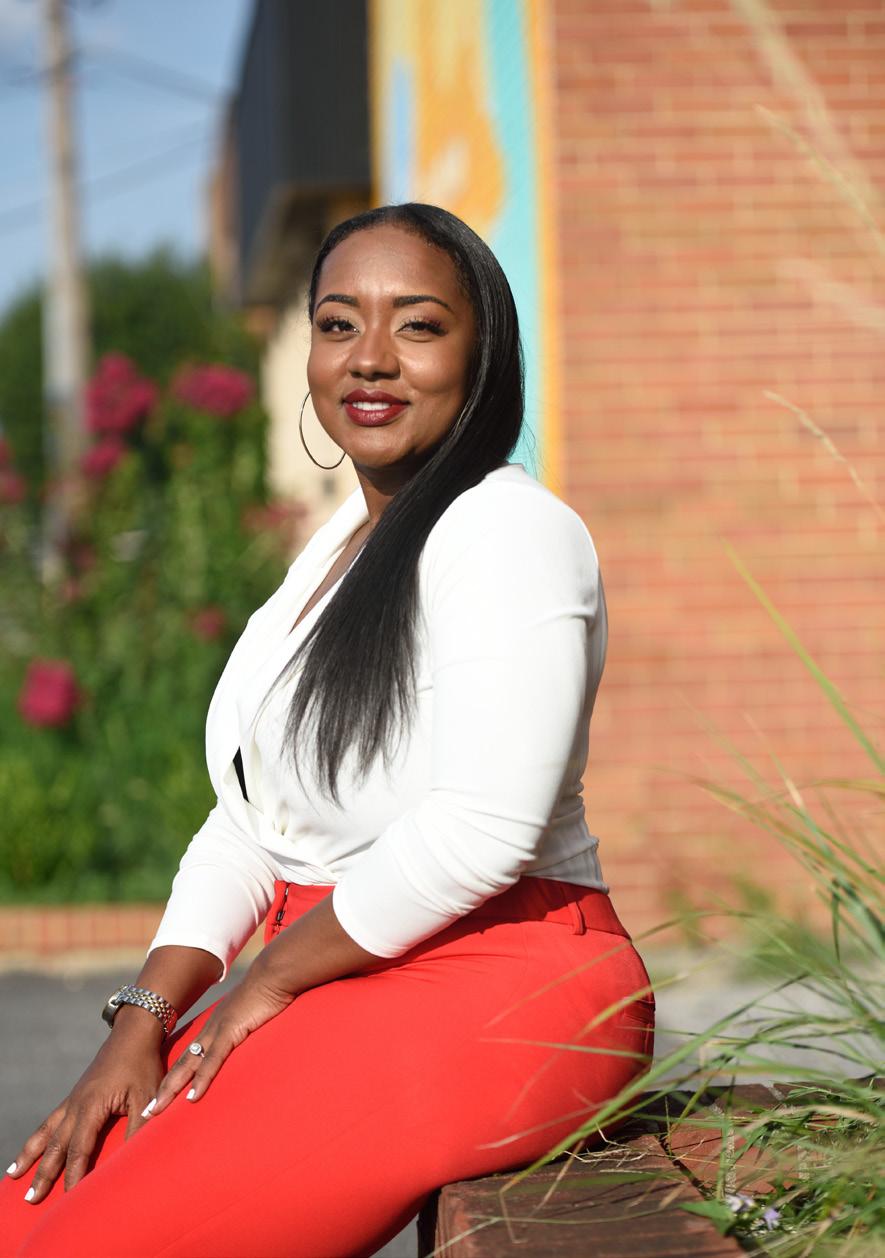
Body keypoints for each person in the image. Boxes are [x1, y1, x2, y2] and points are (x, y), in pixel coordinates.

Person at [0, 203, 655, 1258]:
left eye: (419, 325)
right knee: (30, 1214)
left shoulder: (508, 530)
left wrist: (263, 980)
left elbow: (483, 831)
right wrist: (142, 1017)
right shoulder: (339, 550)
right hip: (344, 971)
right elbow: (250, 823)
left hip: (504, 979)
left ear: (483, 354)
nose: (372, 357)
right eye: (339, 323)